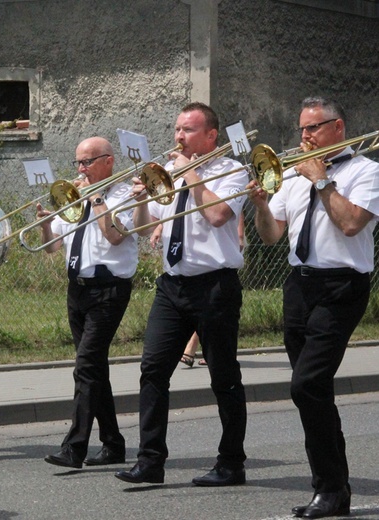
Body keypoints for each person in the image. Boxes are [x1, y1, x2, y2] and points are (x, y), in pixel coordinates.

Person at [248, 97, 379, 519]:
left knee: (306, 384)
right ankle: (333, 488)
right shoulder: (293, 176)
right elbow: (271, 237)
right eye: (302, 129)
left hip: (342, 286)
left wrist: (322, 180)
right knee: (313, 393)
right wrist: (261, 205)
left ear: (338, 128)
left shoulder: (366, 171)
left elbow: (351, 223)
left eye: (314, 128)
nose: (305, 136)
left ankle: (329, 487)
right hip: (299, 286)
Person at [116, 102, 248, 487]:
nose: (178, 137)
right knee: (153, 370)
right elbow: (144, 230)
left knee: (224, 377)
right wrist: (141, 198)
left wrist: (192, 177)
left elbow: (219, 215)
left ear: (211, 135)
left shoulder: (232, 171)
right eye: (177, 129)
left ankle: (231, 463)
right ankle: (150, 460)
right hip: (172, 286)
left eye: (187, 130)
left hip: (214, 286)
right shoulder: (169, 172)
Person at [38, 137, 137, 469]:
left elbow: (114, 235)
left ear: (108, 161)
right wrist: (44, 225)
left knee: (86, 367)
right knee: (94, 369)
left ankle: (74, 447)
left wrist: (96, 198)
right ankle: (113, 444)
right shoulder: (75, 195)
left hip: (108, 289)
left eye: (87, 162)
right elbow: (52, 248)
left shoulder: (125, 194)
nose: (80, 170)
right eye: (77, 163)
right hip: (76, 290)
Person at [153, 214, 245, 368]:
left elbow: (226, 213)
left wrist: (240, 234)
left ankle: (196, 348)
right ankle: (196, 348)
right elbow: (178, 213)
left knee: (223, 369)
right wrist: (160, 226)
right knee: (154, 366)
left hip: (215, 268)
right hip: (177, 277)